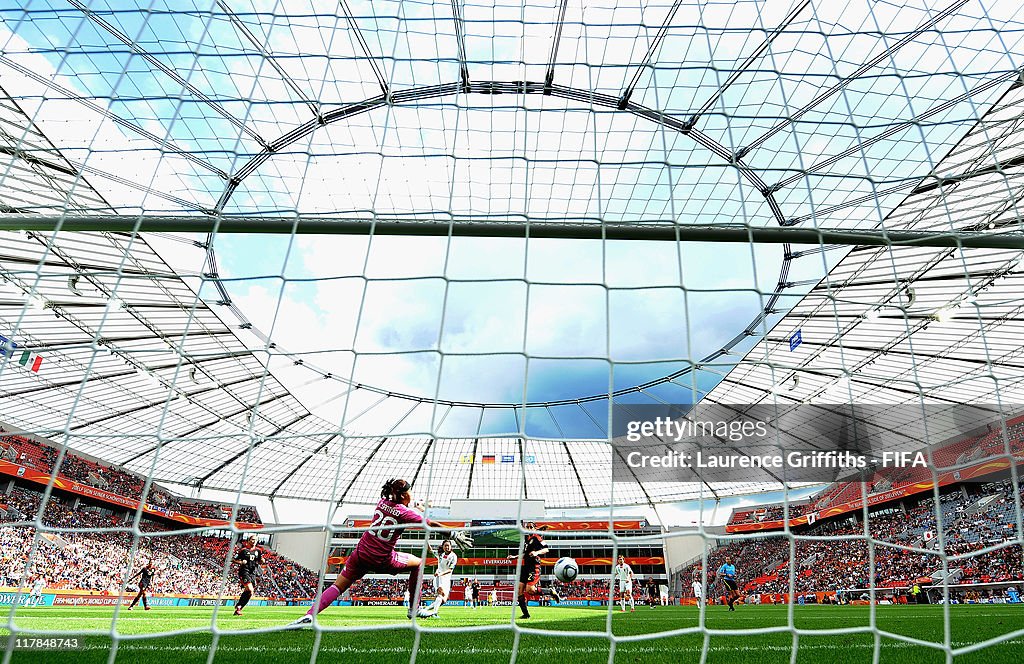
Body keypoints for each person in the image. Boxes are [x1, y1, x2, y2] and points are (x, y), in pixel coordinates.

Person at [289, 478, 471, 627]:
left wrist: (415, 504)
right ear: (403, 494)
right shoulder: (404, 513)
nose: (412, 493)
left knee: (337, 587)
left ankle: (310, 614)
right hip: (382, 558)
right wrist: (453, 533)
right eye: (410, 490)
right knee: (419, 563)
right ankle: (413, 609)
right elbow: (429, 524)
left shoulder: (382, 502)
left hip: (360, 553)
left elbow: (403, 507)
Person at [508, 521, 562, 619]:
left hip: (534, 567)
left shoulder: (537, 538)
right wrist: (514, 557)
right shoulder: (526, 539)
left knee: (530, 590)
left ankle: (550, 591)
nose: (528, 528)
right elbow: (525, 554)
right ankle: (526, 614)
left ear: (534, 528)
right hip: (525, 567)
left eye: (530, 527)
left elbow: (546, 549)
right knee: (519, 590)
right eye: (527, 527)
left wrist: (537, 552)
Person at [420, 539, 457, 618]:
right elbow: (430, 551)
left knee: (443, 600)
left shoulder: (453, 556)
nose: (447, 547)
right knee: (440, 595)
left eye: (448, 545)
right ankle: (434, 613)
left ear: (451, 547)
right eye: (445, 546)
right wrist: (427, 541)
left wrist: (441, 573)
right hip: (438, 578)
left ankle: (425, 610)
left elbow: (450, 569)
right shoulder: (441, 555)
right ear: (443, 547)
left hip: (446, 579)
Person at [233, 537, 263, 616]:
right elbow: (233, 559)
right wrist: (241, 562)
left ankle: (239, 607)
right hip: (244, 571)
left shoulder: (258, 551)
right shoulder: (243, 550)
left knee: (250, 592)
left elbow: (260, 561)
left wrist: (262, 561)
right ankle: (238, 607)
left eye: (255, 540)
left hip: (253, 573)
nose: (254, 541)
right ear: (248, 540)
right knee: (250, 589)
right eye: (252, 539)